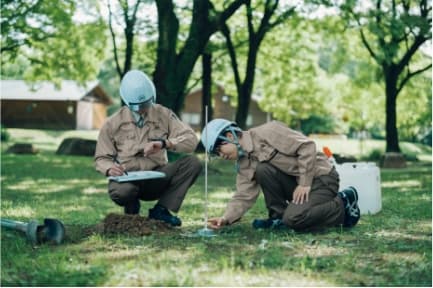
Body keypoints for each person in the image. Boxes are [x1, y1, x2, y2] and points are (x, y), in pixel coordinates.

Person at [201, 119, 360, 231]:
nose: (221, 155)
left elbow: (307, 146)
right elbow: (243, 195)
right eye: (216, 154)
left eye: (219, 150)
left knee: (294, 219)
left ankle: (343, 204)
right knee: (263, 169)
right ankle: (277, 218)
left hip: (320, 178)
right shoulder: (243, 163)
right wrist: (226, 218)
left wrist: (304, 183)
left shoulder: (268, 131)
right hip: (297, 184)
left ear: (229, 136)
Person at [95, 70, 202, 226]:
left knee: (193, 163)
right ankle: (131, 208)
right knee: (122, 192)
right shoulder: (112, 123)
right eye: (135, 106)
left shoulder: (163, 114)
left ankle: (161, 210)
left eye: (145, 104)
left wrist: (164, 143)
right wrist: (110, 168)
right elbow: (101, 158)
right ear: (126, 101)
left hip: (157, 177)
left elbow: (191, 140)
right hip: (127, 179)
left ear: (152, 96)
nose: (141, 109)